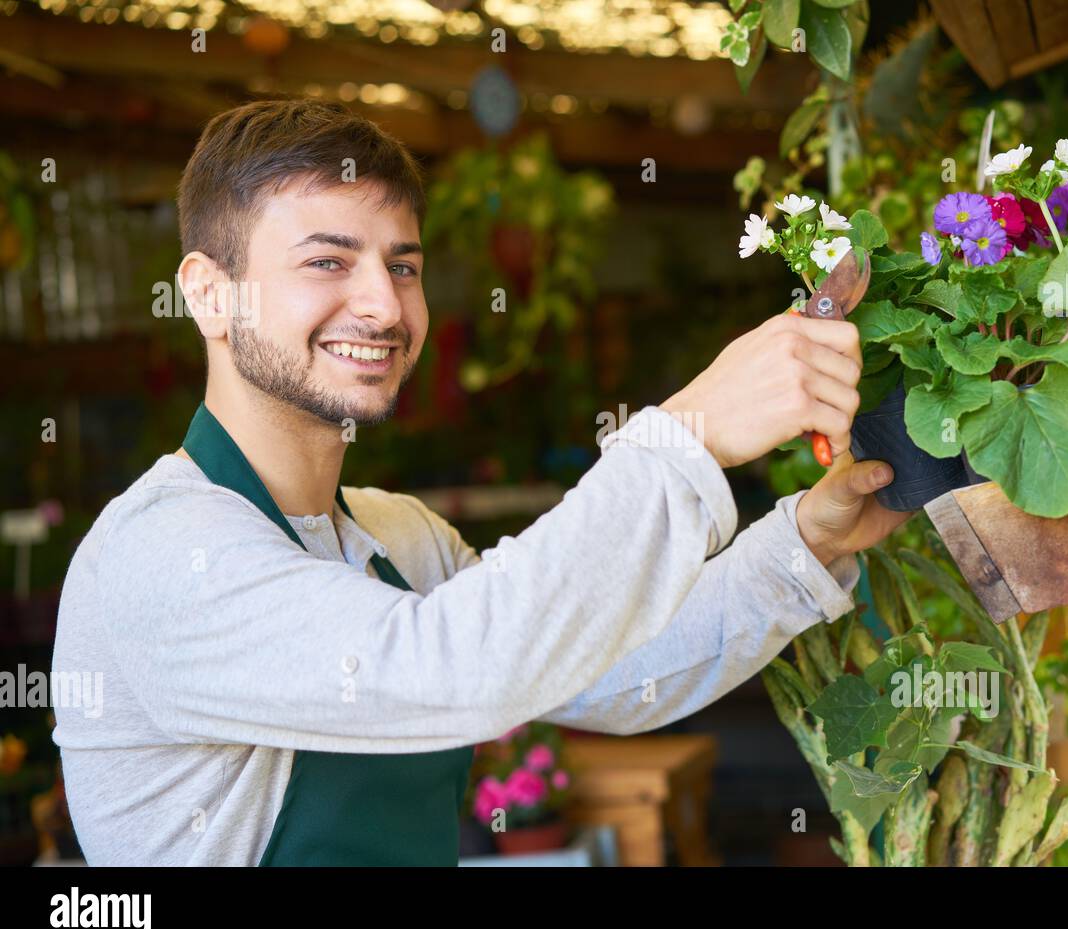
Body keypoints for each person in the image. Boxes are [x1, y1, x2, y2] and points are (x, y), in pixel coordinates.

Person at [51, 99, 908, 866]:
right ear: (208, 294)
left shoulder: (399, 535)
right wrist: (691, 432)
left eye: (404, 265)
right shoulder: (159, 555)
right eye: (327, 262)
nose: (384, 307)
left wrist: (802, 542)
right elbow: (458, 666)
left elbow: (610, 669)